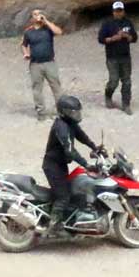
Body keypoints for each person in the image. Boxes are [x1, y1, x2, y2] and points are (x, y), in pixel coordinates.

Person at [42, 94, 102, 229]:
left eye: (77, 112)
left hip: (61, 165)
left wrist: (94, 147)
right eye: (73, 112)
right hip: (53, 166)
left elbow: (81, 136)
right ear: (64, 112)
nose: (76, 115)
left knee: (74, 190)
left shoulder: (70, 123)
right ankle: (53, 225)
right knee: (63, 196)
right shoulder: (61, 127)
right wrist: (86, 165)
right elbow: (70, 151)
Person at [22, 8, 65, 120]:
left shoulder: (48, 29)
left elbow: (59, 32)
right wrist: (26, 53)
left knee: (56, 87)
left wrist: (46, 21)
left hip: (49, 63)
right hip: (35, 64)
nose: (38, 16)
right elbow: (24, 44)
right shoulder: (28, 32)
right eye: (35, 14)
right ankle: (41, 112)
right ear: (31, 18)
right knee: (37, 89)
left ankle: (61, 111)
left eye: (40, 13)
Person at [98, 1, 138, 112]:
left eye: (120, 11)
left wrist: (127, 36)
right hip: (112, 57)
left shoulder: (128, 23)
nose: (118, 13)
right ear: (113, 12)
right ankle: (108, 96)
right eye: (116, 11)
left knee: (127, 81)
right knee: (114, 80)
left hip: (125, 56)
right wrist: (112, 39)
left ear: (123, 11)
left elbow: (134, 38)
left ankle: (126, 104)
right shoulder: (107, 23)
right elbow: (101, 39)